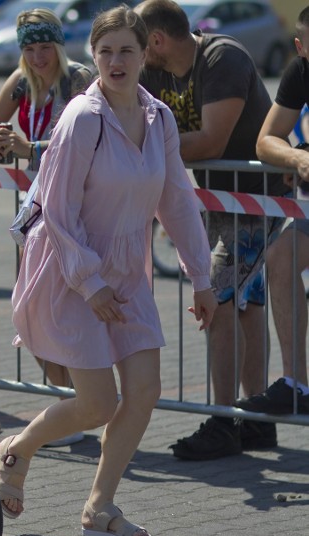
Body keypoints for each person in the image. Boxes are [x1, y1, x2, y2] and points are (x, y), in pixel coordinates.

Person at [0, 7, 216, 536]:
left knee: (144, 391)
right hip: (72, 270)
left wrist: (201, 276)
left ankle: (99, 507)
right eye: (106, 51)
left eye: (127, 51)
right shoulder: (82, 118)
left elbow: (178, 201)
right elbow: (56, 209)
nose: (116, 61)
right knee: (96, 404)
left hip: (128, 271)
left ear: (146, 55)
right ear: (93, 57)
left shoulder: (159, 117)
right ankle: (14, 450)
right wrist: (90, 284)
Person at [135, 0, 288, 460]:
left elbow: (211, 140)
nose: (135, 57)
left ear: (157, 41)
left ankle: (224, 421)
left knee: (219, 299)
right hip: (219, 200)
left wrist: (145, 149)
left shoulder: (223, 58)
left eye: (139, 46)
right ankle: (256, 420)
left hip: (259, 202)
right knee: (246, 305)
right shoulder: (155, 72)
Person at [0, 8, 93, 446]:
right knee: (30, 310)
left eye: (45, 47)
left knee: (64, 312)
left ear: (58, 46)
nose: (38, 56)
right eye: (30, 48)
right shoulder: (22, 80)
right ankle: (67, 409)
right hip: (37, 210)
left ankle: (77, 409)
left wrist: (30, 146)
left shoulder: (79, 78)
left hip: (77, 209)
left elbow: (88, 140)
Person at [235, 5, 309, 415]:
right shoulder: (300, 72)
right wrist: (296, 159)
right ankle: (297, 383)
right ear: (301, 47)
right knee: (280, 258)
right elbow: (266, 141)